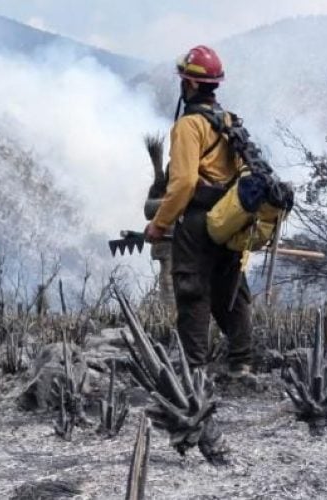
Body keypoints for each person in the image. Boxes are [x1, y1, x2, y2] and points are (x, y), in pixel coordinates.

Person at [144, 45, 252, 378]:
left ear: (189, 85)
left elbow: (185, 183)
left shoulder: (189, 126)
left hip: (197, 221)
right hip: (228, 219)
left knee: (192, 290)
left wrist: (159, 225)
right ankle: (242, 363)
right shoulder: (230, 121)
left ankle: (194, 371)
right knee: (230, 287)